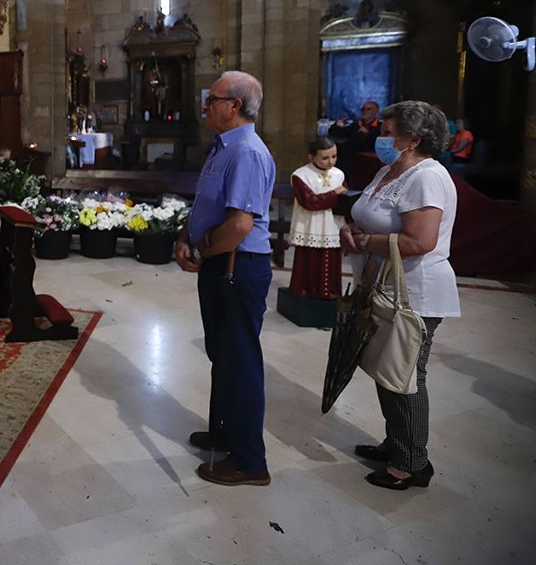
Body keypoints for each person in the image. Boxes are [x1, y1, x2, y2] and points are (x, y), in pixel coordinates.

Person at [339, 100, 458, 490]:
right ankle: (397, 442)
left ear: (414, 139)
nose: (380, 138)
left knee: (406, 374)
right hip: (384, 284)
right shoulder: (389, 170)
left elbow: (420, 240)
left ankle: (412, 463)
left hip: (416, 290)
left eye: (388, 132)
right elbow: (364, 215)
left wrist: (365, 241)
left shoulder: (427, 176)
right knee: (387, 368)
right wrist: (352, 233)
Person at [174, 70, 275, 487]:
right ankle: (224, 431)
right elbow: (207, 205)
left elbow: (238, 226)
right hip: (220, 260)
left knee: (240, 361)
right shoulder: (222, 147)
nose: (205, 105)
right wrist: (185, 235)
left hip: (238, 264)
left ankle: (250, 461)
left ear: (234, 106)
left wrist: (200, 248)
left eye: (212, 98)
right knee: (223, 353)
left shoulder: (247, 151)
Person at [287, 137, 346, 299]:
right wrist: (335, 193)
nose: (330, 162)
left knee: (332, 262)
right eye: (325, 157)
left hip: (331, 225)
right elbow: (310, 201)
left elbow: (345, 198)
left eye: (334, 156)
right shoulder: (301, 175)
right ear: (311, 157)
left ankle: (330, 294)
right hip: (310, 225)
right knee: (309, 262)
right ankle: (307, 291)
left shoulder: (338, 174)